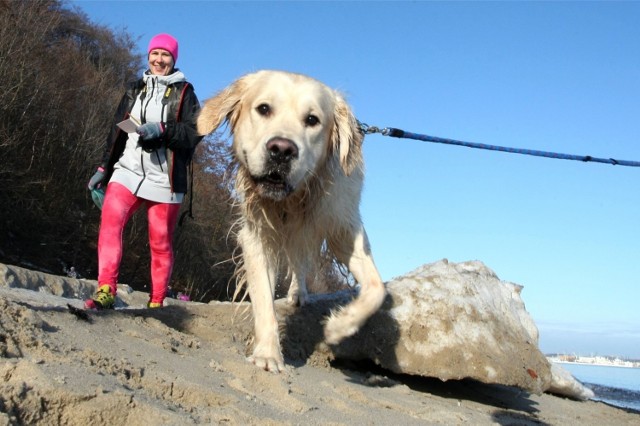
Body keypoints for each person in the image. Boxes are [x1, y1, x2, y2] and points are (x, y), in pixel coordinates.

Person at [86, 33, 202, 309]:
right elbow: (118, 129)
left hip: (166, 178)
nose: (159, 60)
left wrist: (163, 131)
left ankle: (157, 301)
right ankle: (105, 289)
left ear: (173, 60)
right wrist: (105, 167)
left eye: (165, 55)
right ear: (148, 56)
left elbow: (195, 132)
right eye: (155, 54)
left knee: (160, 242)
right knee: (110, 224)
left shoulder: (185, 93)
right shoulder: (134, 88)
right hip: (127, 170)